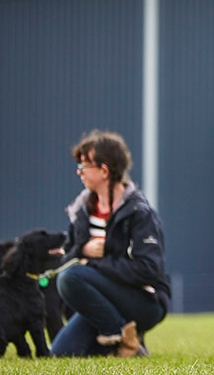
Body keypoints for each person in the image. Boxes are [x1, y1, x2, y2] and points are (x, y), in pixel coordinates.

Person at [51, 130, 170, 357]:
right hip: (101, 302)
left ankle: (120, 335)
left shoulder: (139, 213)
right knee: (61, 353)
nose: (79, 173)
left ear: (104, 170)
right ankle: (128, 342)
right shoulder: (81, 211)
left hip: (144, 301)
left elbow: (149, 269)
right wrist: (82, 250)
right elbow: (66, 256)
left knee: (71, 277)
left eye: (83, 166)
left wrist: (94, 264)